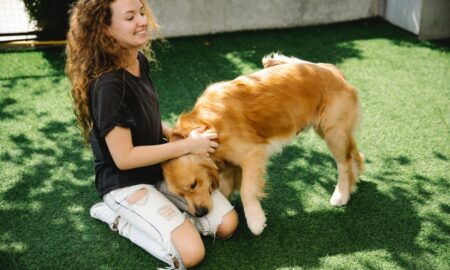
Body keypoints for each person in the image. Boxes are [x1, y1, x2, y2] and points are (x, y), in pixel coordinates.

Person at [65, 0, 238, 269]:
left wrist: (180, 137)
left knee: (227, 224)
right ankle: (118, 218)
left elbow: (148, 120)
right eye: (130, 17)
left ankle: (170, 225)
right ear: (106, 30)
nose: (142, 20)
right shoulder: (110, 85)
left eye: (142, 13)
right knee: (191, 254)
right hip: (125, 183)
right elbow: (124, 158)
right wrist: (186, 147)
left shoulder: (138, 61)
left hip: (159, 170)